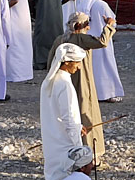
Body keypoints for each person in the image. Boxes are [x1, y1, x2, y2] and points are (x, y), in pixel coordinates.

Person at [48, 11, 116, 160]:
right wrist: (109, 25)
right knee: (86, 114)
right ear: (79, 26)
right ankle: (90, 152)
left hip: (62, 83)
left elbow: (50, 63)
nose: (88, 27)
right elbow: (102, 42)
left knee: (67, 117)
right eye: (86, 25)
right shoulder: (81, 38)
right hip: (83, 84)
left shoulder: (60, 40)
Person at [40, 43, 88, 180]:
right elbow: (68, 118)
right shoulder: (64, 84)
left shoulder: (51, 81)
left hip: (52, 139)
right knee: (66, 179)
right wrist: (78, 147)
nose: (79, 67)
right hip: (65, 142)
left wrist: (78, 127)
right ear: (67, 62)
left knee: (54, 176)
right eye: (77, 62)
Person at [85, 0, 124, 103]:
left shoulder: (84, 4)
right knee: (106, 66)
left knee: (93, 68)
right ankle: (109, 93)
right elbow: (112, 21)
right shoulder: (102, 5)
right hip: (103, 39)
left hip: (90, 41)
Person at [30, 0, 69, 67]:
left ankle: (41, 62)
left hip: (43, 16)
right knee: (55, 37)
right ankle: (56, 60)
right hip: (57, 16)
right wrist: (59, 4)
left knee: (40, 38)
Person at [3, 0, 34, 83]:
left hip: (15, 19)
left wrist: (4, 8)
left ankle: (14, 74)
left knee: (14, 46)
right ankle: (24, 72)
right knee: (22, 46)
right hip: (23, 19)